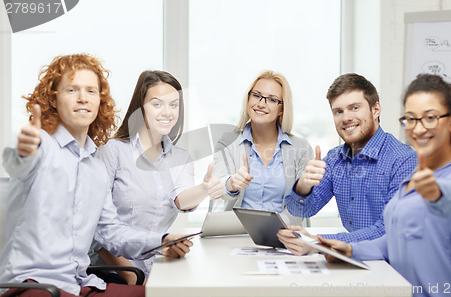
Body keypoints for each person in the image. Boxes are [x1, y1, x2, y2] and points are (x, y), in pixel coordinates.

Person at [0, 54, 192, 297]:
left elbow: (111, 232)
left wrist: (161, 240)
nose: (83, 98)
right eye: (72, 89)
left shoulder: (95, 166)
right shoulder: (42, 145)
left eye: (91, 91)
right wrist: (24, 150)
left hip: (78, 283)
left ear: (100, 101)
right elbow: (17, 162)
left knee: (162, 294)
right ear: (54, 98)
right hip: (32, 286)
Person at [318, 74, 451, 297]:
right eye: (411, 118)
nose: (418, 129)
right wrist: (351, 249)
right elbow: (396, 240)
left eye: (430, 118)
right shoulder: (410, 181)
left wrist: (437, 193)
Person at [90, 70, 223, 282]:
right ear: (140, 107)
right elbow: (96, 228)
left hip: (159, 267)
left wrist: (204, 189)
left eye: (174, 104)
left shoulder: (181, 157)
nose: (167, 112)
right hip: (115, 272)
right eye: (157, 104)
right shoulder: (113, 151)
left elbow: (181, 199)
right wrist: (134, 277)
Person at [277, 73, 418, 255]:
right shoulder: (335, 158)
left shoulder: (404, 160)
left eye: (354, 108)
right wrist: (304, 185)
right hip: (354, 259)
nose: (346, 118)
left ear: (375, 110)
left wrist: (318, 243)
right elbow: (301, 209)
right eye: (339, 111)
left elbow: (388, 229)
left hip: (394, 263)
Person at [210, 70, 313, 225]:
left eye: (272, 99)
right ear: (248, 98)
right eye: (256, 95)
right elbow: (218, 189)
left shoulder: (301, 148)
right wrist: (232, 183)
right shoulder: (228, 142)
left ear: (282, 109)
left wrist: (277, 229)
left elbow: (302, 202)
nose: (261, 103)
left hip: (283, 236)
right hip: (236, 235)